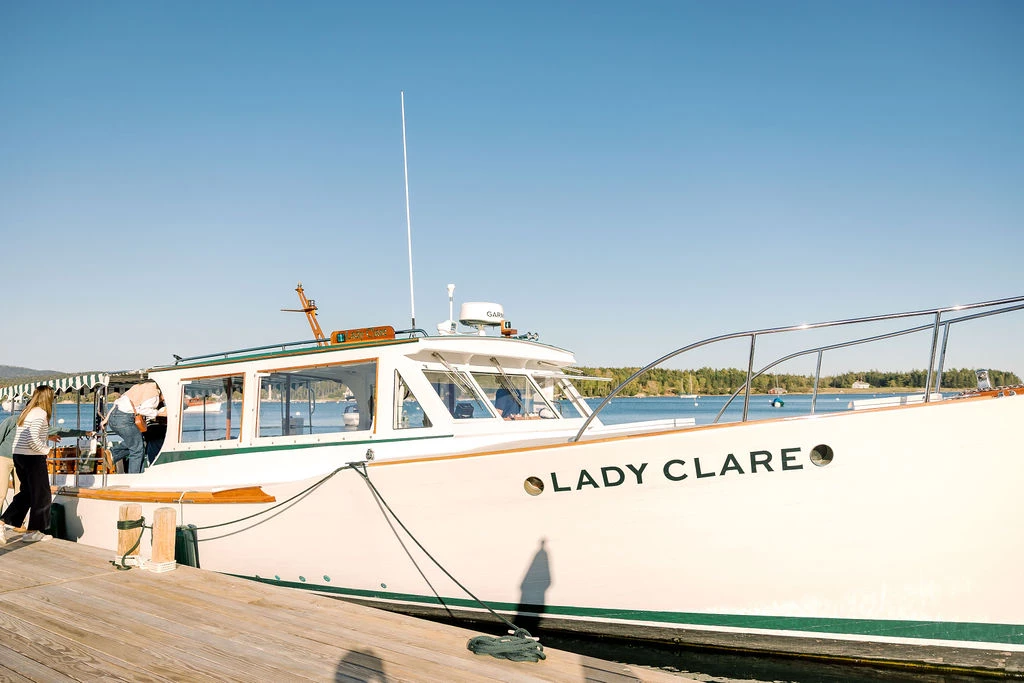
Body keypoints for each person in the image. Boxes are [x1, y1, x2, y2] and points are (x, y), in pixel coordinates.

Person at [0, 386, 61, 544]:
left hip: (19, 455)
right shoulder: (40, 413)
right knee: (42, 495)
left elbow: (27, 434)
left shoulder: (27, 411)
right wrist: (46, 450)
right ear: (48, 397)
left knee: (26, 493)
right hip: (32, 458)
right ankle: (33, 531)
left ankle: (3, 523)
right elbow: (33, 438)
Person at [105, 381, 162, 474]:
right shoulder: (154, 393)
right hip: (125, 419)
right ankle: (133, 478)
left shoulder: (137, 387)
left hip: (114, 418)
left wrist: (106, 419)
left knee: (139, 442)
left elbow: (116, 403)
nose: (162, 400)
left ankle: (113, 454)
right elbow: (144, 410)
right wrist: (159, 413)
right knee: (137, 450)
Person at [0, 413, 21, 515]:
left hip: (21, 461)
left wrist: (77, 433)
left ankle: (18, 522)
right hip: (4, 458)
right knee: (1, 494)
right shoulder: (13, 419)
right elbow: (0, 434)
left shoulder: (36, 423)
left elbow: (52, 431)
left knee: (20, 493)